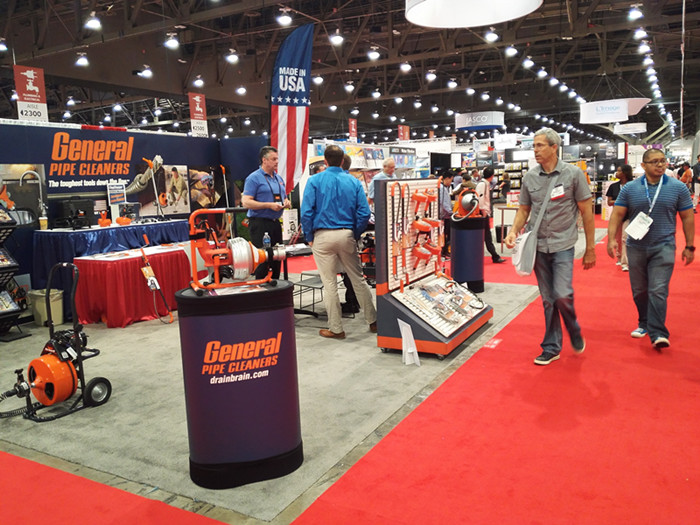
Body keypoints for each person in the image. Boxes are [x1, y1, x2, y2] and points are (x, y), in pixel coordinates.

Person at [504, 127, 596, 366]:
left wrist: (590, 248)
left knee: (562, 295)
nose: (535, 150)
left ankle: (573, 328)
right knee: (548, 299)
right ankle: (551, 346)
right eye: (533, 146)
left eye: (540, 145)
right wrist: (513, 231)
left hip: (563, 244)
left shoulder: (573, 174)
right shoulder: (530, 177)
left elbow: (587, 212)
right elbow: (524, 209)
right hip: (537, 246)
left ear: (554, 147)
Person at [607, 148, 695, 350]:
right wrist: (612, 239)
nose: (660, 164)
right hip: (636, 246)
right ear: (643, 165)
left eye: (663, 161)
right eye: (654, 161)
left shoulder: (678, 188)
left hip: (664, 245)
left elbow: (688, 217)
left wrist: (690, 245)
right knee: (639, 291)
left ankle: (658, 333)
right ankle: (644, 322)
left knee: (658, 290)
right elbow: (617, 214)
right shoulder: (630, 188)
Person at [301, 145, 377, 339]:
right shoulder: (353, 182)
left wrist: (309, 237)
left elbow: (306, 212)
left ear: (325, 161)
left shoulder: (314, 181)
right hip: (346, 234)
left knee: (329, 283)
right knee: (358, 279)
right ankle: (373, 321)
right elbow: (364, 213)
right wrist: (354, 233)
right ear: (342, 161)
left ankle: (336, 329)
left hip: (322, 236)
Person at [242, 146, 291, 279]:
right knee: (263, 260)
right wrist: (268, 205)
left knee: (277, 258)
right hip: (260, 224)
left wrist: (286, 202)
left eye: (277, 159)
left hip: (275, 224)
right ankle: (261, 288)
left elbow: (284, 197)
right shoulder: (254, 178)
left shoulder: (278, 178)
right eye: (273, 159)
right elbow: (246, 202)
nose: (277, 162)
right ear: (264, 160)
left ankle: (276, 286)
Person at [475, 166, 506, 264]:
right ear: (492, 176)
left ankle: (494, 256)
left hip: (484, 213)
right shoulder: (482, 184)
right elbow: (479, 199)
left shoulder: (485, 184)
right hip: (482, 213)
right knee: (485, 236)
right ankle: (494, 256)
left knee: (486, 236)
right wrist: (483, 212)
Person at [606, 164, 633, 270]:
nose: (616, 173)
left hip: (629, 215)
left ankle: (625, 262)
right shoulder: (613, 186)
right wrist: (621, 201)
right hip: (617, 216)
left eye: (619, 171)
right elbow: (609, 202)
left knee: (625, 238)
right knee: (617, 238)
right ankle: (619, 257)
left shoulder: (633, 185)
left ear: (625, 173)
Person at [439, 171, 455, 257]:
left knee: (446, 234)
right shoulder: (442, 188)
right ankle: (444, 251)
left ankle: (445, 251)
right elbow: (443, 203)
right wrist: (451, 212)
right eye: (451, 180)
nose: (451, 182)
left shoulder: (443, 188)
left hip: (446, 215)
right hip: (445, 216)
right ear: (447, 178)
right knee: (447, 234)